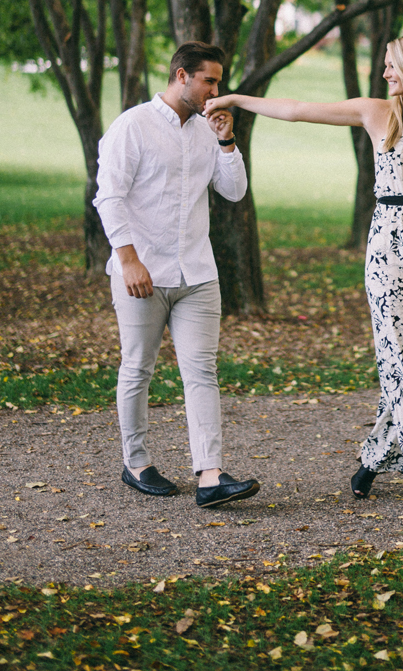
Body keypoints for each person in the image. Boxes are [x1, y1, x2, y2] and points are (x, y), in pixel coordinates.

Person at [205, 34, 403, 522]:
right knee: (398, 360)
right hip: (388, 251)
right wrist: (236, 99)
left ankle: (371, 462)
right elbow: (296, 108)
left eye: (392, 66)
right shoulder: (375, 113)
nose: (386, 73)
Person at [94, 41, 260, 509]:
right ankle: (137, 463)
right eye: (209, 80)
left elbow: (232, 192)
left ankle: (210, 476)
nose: (216, 91)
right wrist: (128, 260)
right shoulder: (133, 125)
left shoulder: (209, 129)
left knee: (202, 372)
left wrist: (227, 140)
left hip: (198, 274)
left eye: (219, 83)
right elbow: (109, 197)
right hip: (142, 272)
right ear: (182, 76)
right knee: (138, 368)